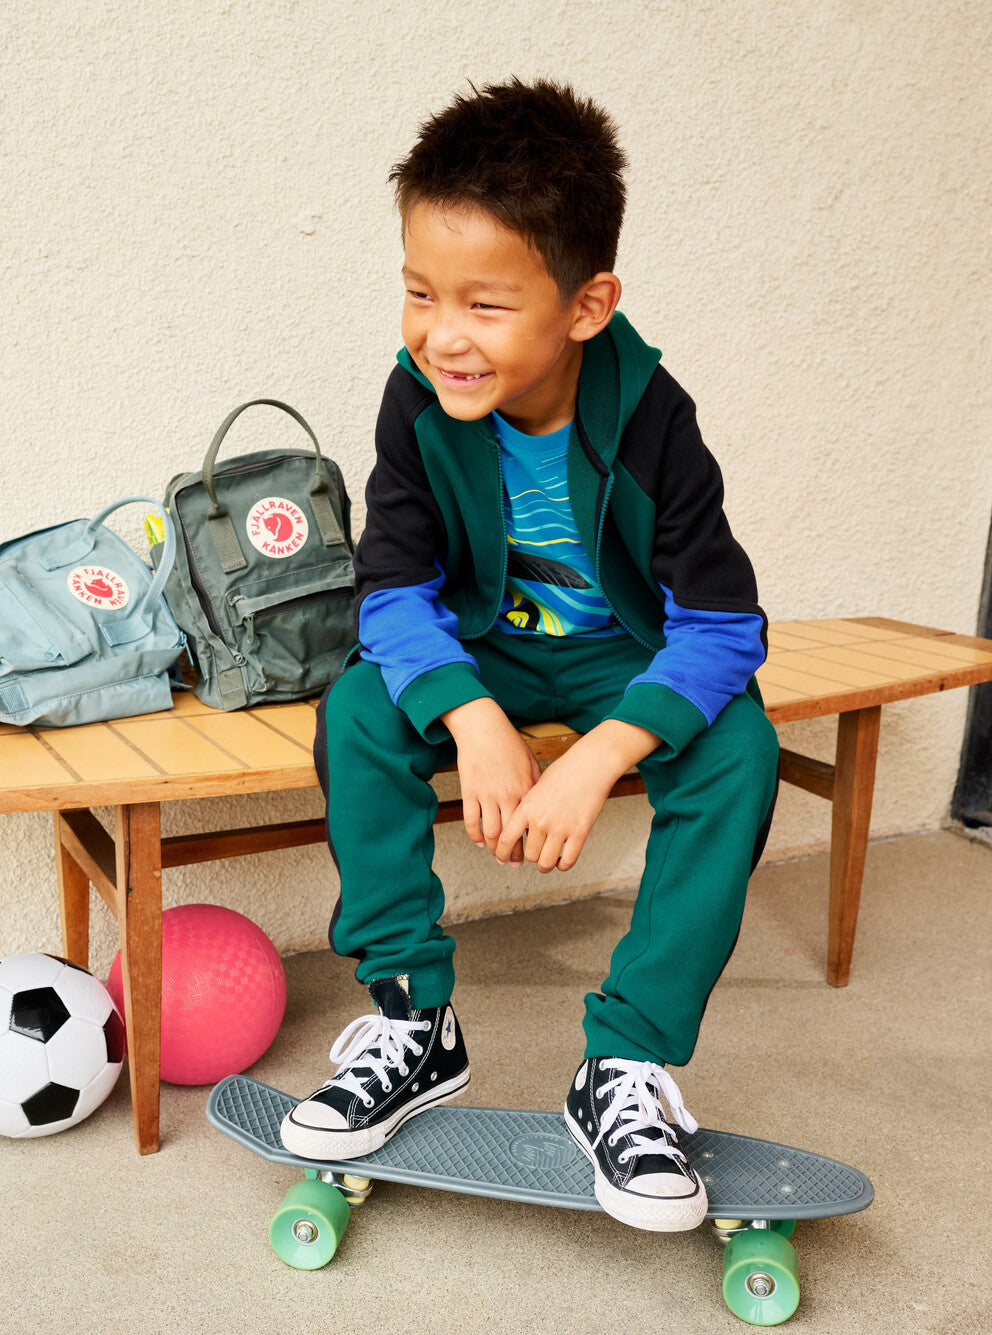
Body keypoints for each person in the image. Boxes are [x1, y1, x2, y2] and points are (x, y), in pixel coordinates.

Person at [280, 75, 781, 1234]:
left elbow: (723, 628)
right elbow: (392, 592)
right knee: (358, 711)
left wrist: (600, 753)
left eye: (485, 305)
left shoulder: (654, 415)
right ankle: (414, 1021)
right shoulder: (414, 403)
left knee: (738, 750)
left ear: (586, 303)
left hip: (624, 658)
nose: (440, 335)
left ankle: (627, 1065)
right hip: (484, 652)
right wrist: (471, 716)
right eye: (417, 293)